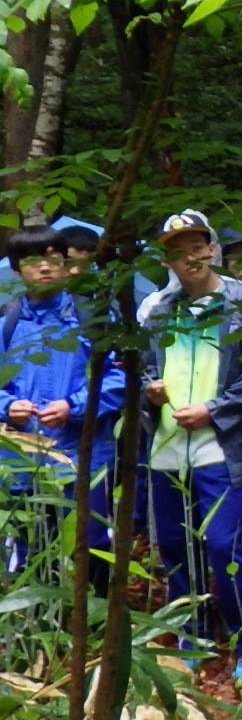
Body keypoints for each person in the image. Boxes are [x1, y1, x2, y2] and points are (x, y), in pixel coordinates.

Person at [141, 209, 242, 680]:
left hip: (221, 447)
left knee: (224, 546)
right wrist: (151, 389)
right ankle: (192, 637)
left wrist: (215, 409)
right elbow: (144, 367)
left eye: (196, 246)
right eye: (176, 251)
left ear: (212, 248)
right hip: (166, 447)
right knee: (177, 550)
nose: (189, 257)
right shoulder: (161, 310)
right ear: (167, 259)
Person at [1, 224, 124, 582]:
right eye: (33, 260)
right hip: (23, 455)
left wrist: (75, 405)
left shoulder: (92, 318)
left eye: (53, 259)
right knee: (32, 545)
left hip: (81, 454)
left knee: (91, 541)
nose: (44, 268)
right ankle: (39, 629)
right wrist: (7, 406)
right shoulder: (8, 322)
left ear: (66, 263)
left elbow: (119, 379)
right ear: (17, 269)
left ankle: (97, 627)